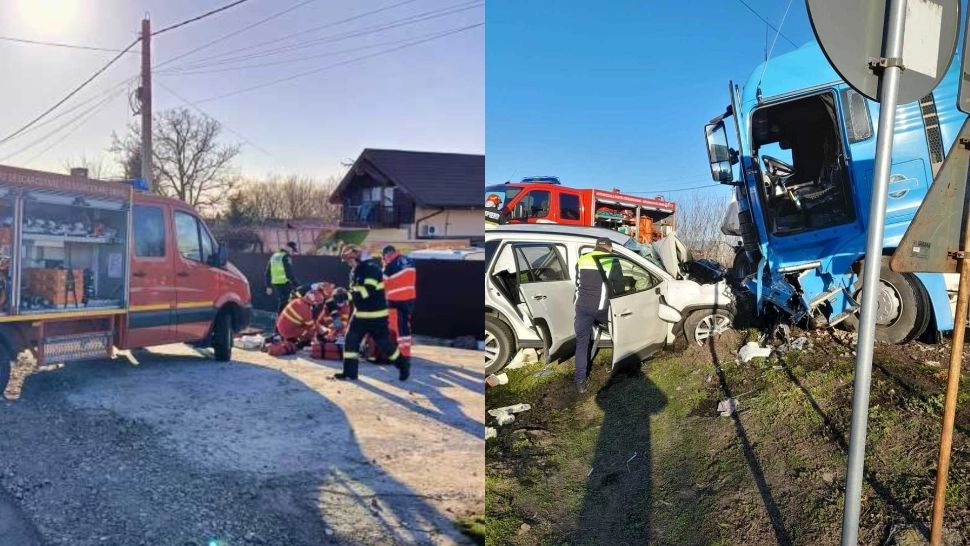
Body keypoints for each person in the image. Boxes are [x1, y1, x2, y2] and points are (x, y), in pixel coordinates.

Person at [335, 245, 410, 381]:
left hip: (377, 316)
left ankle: (403, 364)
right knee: (350, 341)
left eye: (349, 260)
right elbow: (357, 291)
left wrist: (346, 296)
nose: (348, 263)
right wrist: (344, 296)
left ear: (357, 257)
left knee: (384, 345)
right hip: (360, 315)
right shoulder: (355, 270)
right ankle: (349, 373)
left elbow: (366, 291)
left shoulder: (371, 269)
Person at [573, 237, 620, 394]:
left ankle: (580, 381)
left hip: (582, 307)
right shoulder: (611, 260)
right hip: (602, 309)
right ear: (609, 248)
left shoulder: (582, 259)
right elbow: (619, 285)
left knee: (581, 343)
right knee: (619, 335)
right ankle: (618, 370)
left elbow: (577, 282)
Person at [382, 245, 417, 358]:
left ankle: (402, 353)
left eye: (385, 257)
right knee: (405, 324)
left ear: (388, 254)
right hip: (410, 297)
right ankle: (406, 350)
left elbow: (382, 285)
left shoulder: (390, 266)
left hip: (395, 299)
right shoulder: (410, 260)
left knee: (396, 326)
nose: (385, 259)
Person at [265, 242, 299, 314]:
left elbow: (268, 271)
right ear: (288, 248)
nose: (292, 253)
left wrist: (268, 285)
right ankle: (282, 319)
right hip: (285, 282)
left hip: (276, 283)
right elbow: (288, 273)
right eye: (293, 250)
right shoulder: (286, 256)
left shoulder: (274, 256)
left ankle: (280, 319)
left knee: (283, 301)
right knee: (287, 301)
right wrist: (297, 285)